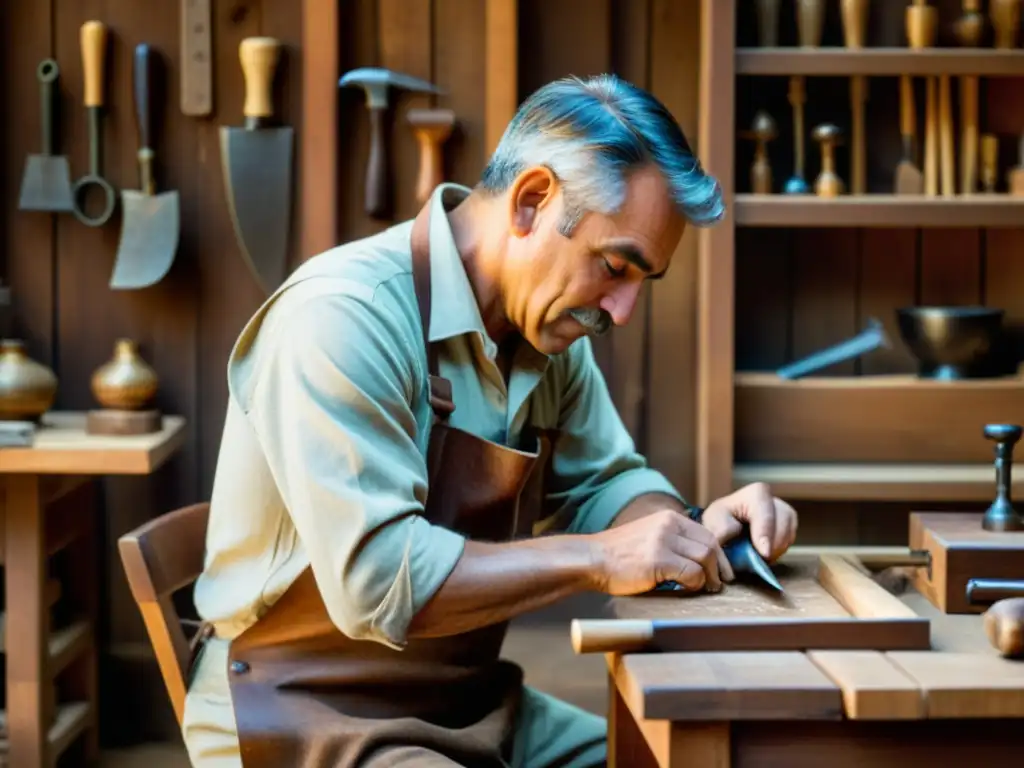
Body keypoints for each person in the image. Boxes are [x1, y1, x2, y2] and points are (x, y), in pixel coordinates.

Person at [182, 74, 799, 767]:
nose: (621, 312)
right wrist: (599, 559)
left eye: (640, 283)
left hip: (467, 704)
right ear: (532, 202)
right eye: (614, 267)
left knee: (688, 757)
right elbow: (377, 586)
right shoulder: (340, 318)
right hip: (298, 713)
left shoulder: (547, 333)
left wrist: (691, 532)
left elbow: (608, 483)